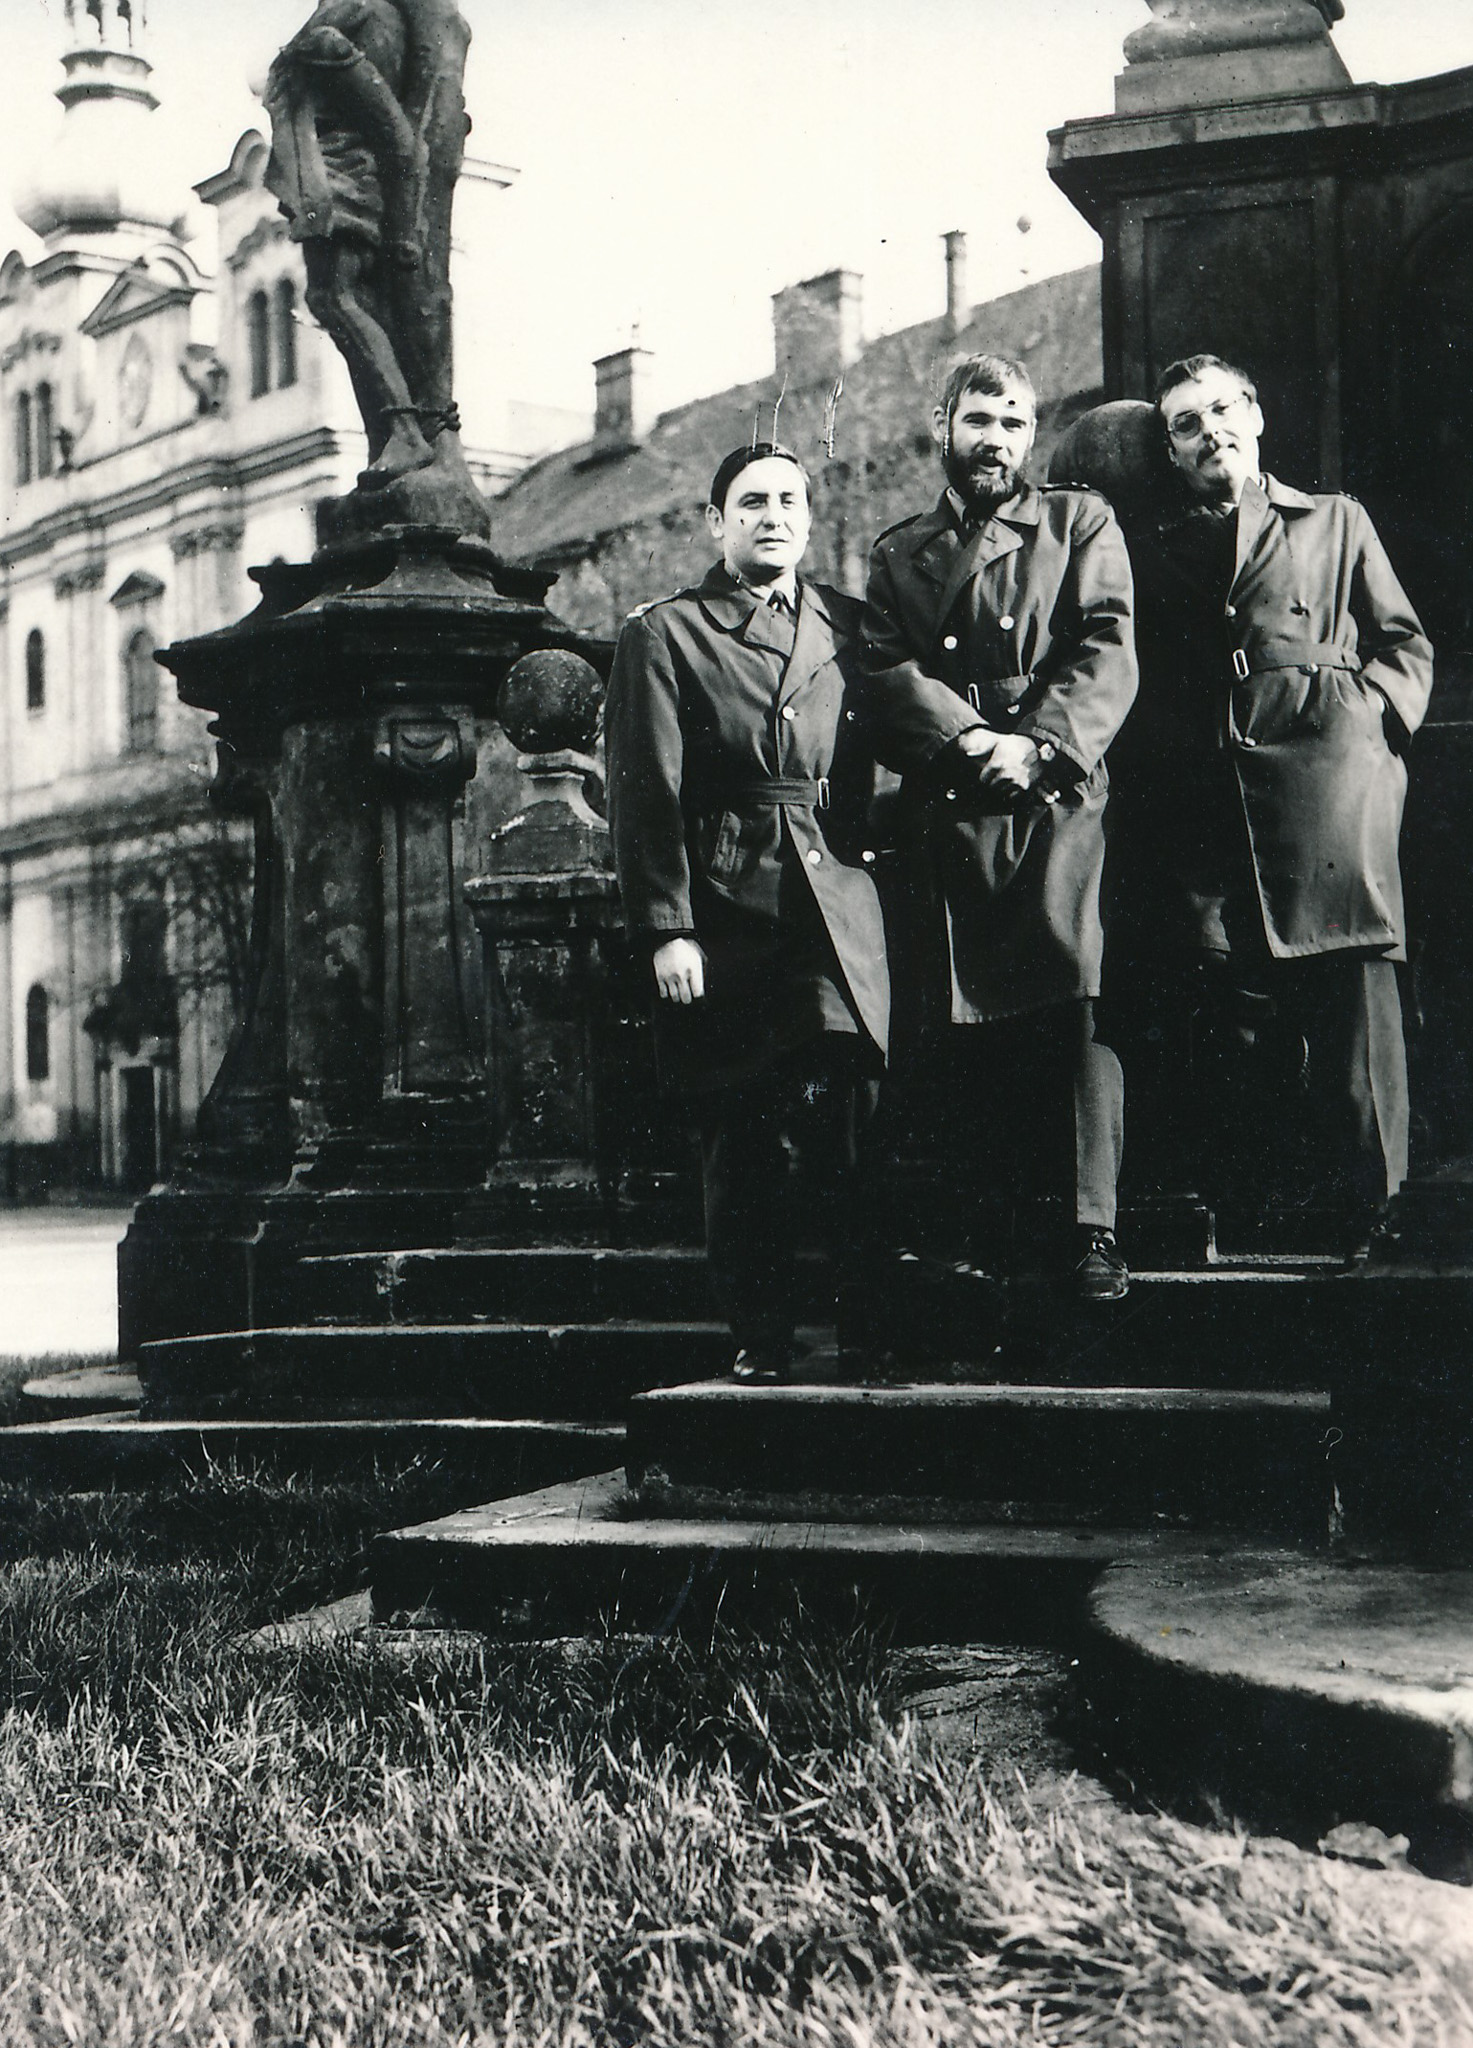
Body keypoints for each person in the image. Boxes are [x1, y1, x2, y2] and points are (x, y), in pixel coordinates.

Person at [1123, 352, 1434, 1247]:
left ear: (1255, 416)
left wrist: (1368, 727)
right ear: (1171, 450)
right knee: (1230, 1001)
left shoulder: (1332, 519)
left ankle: (1379, 1212)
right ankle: (1266, 1217)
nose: (1210, 432)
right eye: (1186, 423)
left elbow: (1403, 644)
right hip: (1214, 786)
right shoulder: (1150, 547)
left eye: (1223, 410)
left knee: (1351, 996)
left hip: (1329, 777)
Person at [605, 444, 893, 1382]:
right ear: (715, 522)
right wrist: (667, 927)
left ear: (809, 520)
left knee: (848, 1111)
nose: (773, 517)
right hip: (728, 903)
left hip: (834, 898)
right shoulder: (666, 632)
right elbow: (646, 790)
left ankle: (863, 1330)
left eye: (788, 502)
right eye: (752, 502)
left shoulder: (848, 625)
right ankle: (761, 1337)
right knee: (742, 1125)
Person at [860, 353, 1138, 1301]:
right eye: (979, 420)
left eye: (1014, 423)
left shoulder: (1074, 521)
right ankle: (990, 1226)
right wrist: (967, 737)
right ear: (941, 426)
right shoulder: (898, 552)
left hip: (1056, 796)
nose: (996, 440)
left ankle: (1090, 1228)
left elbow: (1105, 643)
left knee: (1073, 998)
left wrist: (1038, 746)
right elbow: (883, 670)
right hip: (952, 794)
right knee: (962, 1012)